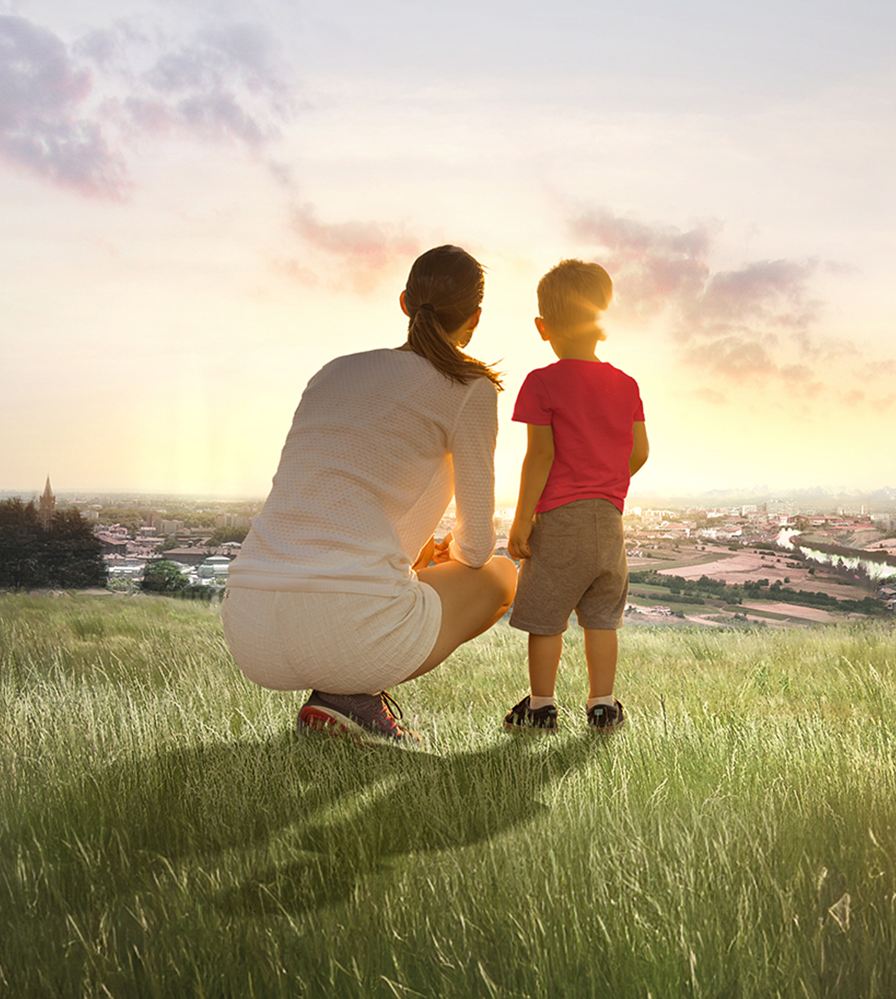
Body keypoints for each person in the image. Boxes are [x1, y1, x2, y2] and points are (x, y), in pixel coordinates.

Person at [221, 245, 518, 745]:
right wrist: (451, 555)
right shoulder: (470, 387)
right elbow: (477, 546)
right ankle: (351, 697)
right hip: (350, 629)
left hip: (249, 626)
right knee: (502, 575)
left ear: (404, 302)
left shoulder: (335, 371)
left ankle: (342, 697)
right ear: (476, 318)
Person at [502, 259, 648, 734]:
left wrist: (522, 521)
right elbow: (640, 452)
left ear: (543, 328)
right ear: (602, 327)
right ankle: (602, 705)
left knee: (547, 618)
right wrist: (605, 479)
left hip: (560, 519)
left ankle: (541, 707)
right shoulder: (627, 385)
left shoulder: (541, 382)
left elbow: (539, 456)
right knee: (602, 617)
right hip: (609, 519)